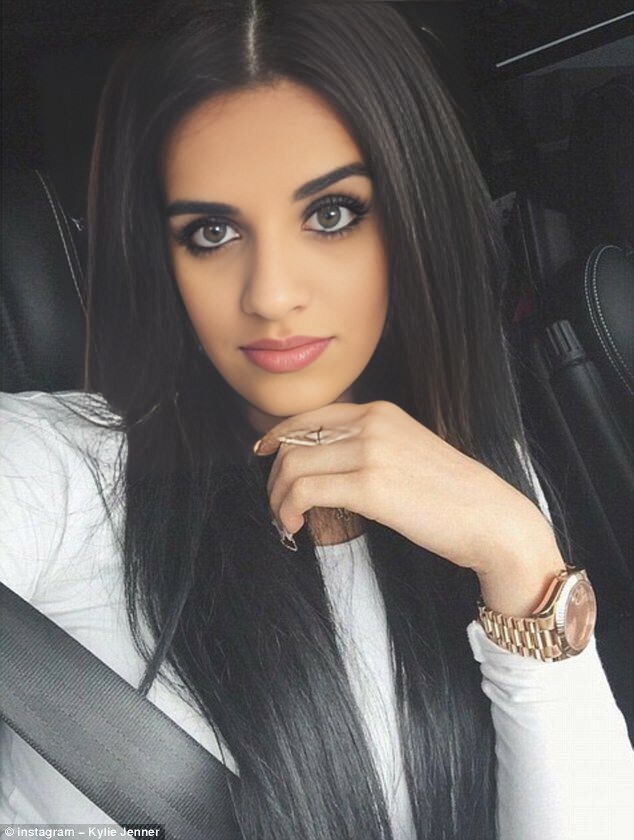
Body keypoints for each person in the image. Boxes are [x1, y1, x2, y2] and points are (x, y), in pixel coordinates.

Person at [1, 1, 632, 838]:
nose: (270, 294)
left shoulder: (472, 479)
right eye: (212, 231)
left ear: (415, 220)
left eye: (331, 214)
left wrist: (518, 555)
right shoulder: (60, 467)